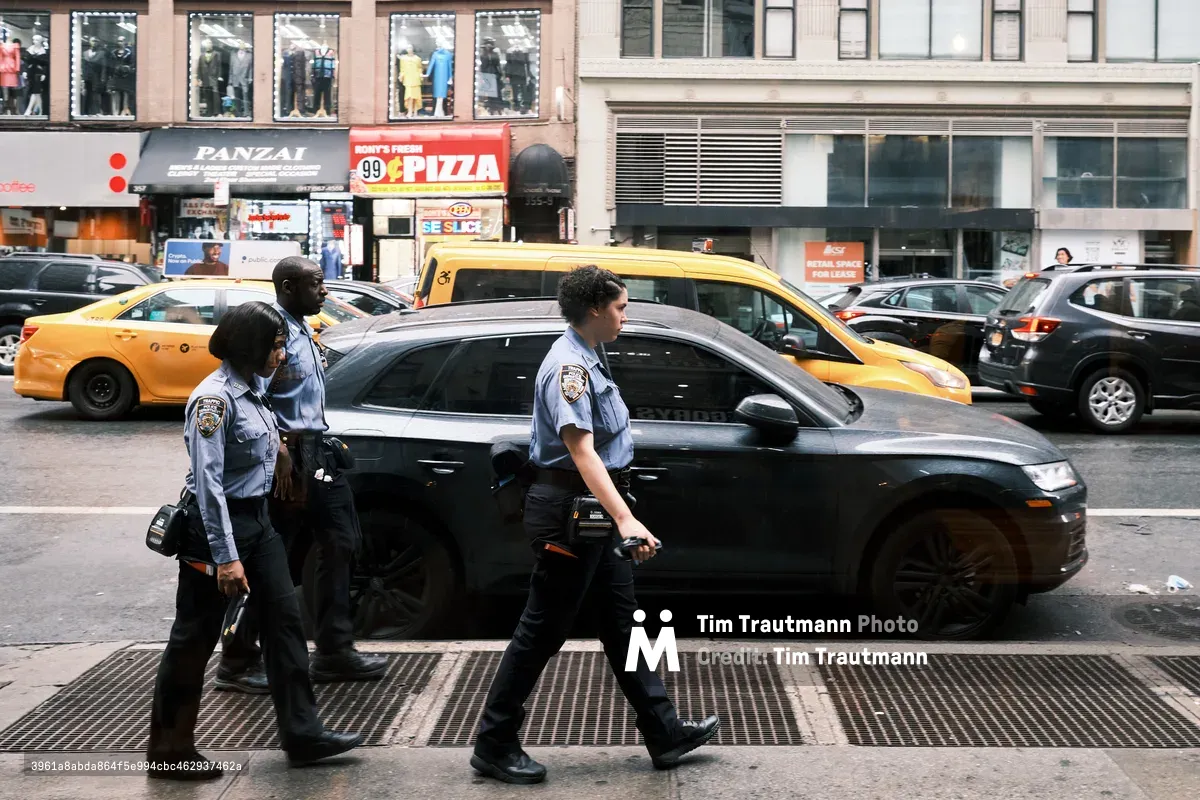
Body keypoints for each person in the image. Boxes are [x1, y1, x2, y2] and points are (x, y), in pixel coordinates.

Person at [470, 265, 719, 785]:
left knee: (622, 624)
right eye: (621, 307)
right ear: (594, 311)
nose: (626, 315)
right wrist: (626, 519)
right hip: (568, 514)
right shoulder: (568, 368)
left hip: (588, 511)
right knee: (542, 631)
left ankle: (664, 731)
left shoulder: (590, 354)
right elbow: (581, 452)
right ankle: (494, 743)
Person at [147, 302, 362, 780]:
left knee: (285, 624)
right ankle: (170, 749)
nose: (282, 354)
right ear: (251, 346)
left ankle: (304, 735)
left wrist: (281, 452)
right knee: (193, 639)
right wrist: (226, 559)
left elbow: (265, 438)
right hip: (215, 531)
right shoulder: (214, 401)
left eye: (284, 343)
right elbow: (208, 486)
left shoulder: (254, 390)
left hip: (259, 524)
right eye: (276, 345)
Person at [215, 257, 387, 693]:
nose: (325, 292)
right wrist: (279, 455)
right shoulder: (271, 335)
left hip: (317, 452)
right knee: (277, 561)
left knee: (341, 542)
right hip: (288, 460)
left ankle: (333, 651)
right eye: (316, 285)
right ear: (289, 286)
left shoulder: (303, 329)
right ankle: (236, 660)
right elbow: (255, 397)